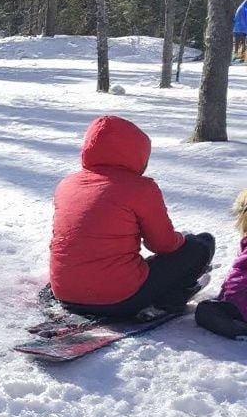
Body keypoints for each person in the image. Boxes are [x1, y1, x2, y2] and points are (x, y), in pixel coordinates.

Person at [49, 115, 214, 320]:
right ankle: (167, 301)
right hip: (119, 300)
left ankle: (83, 290)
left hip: (64, 292)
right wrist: (184, 238)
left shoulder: (66, 185)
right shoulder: (141, 188)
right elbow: (163, 245)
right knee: (202, 244)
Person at [195, 188, 247, 340]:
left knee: (204, 310)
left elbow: (237, 281)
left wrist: (226, 298)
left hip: (240, 308)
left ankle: (239, 328)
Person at [233, 0, 246, 64]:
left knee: (237, 43)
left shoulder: (240, 8)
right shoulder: (243, 9)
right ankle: (242, 58)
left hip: (237, 28)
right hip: (242, 29)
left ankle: (236, 57)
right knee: (243, 42)